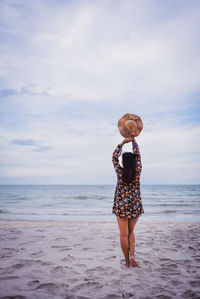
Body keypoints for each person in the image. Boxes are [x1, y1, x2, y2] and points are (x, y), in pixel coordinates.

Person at [112, 132, 144, 268]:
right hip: (135, 205)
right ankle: (132, 256)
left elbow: (114, 158)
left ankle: (126, 261)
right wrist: (134, 142)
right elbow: (138, 156)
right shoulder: (138, 171)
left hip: (122, 206)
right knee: (131, 232)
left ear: (123, 162)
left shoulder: (120, 172)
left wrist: (123, 142)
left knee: (123, 235)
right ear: (134, 162)